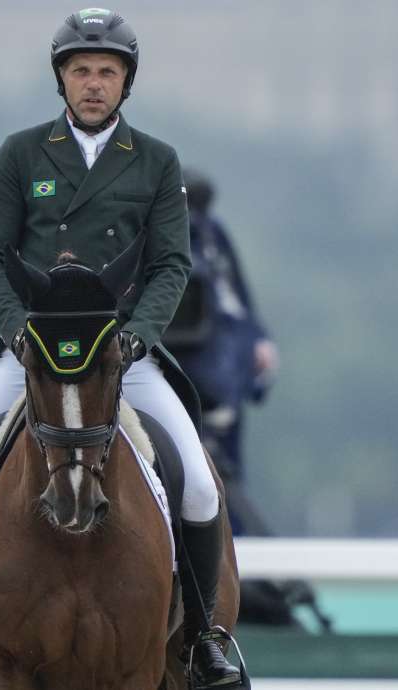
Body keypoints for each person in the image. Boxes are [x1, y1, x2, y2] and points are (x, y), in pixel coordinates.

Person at [0, 8, 241, 689]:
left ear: (126, 83)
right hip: (31, 351)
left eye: (107, 72)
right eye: (81, 70)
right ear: (62, 78)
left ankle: (205, 640)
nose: (94, 83)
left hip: (122, 355)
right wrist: (14, 329)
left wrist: (138, 335)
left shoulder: (154, 162)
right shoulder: (22, 154)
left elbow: (172, 265)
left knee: (201, 484)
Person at [164, 168, 279, 533]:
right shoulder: (156, 237)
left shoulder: (214, 236)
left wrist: (258, 347)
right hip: (175, 378)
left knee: (222, 494)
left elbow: (237, 304)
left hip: (219, 388)